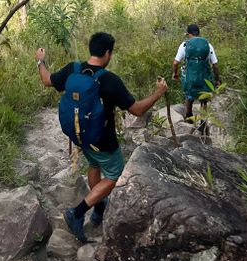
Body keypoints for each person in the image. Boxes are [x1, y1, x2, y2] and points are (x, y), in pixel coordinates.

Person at [36, 31, 167, 244]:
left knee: (94, 165)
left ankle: (99, 207)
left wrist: (40, 60)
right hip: (102, 139)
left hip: (80, 137)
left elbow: (46, 80)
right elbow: (137, 110)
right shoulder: (110, 80)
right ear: (107, 53)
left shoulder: (73, 69)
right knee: (114, 175)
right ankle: (77, 213)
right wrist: (158, 93)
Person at [171, 23, 220, 123]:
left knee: (189, 97)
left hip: (190, 78)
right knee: (204, 100)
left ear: (189, 34)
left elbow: (175, 63)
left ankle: (189, 117)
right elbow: (215, 65)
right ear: (198, 33)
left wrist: (175, 74)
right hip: (204, 78)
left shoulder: (185, 45)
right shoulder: (208, 45)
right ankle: (203, 122)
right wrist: (217, 79)